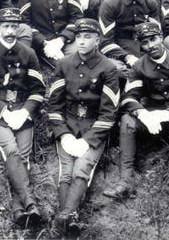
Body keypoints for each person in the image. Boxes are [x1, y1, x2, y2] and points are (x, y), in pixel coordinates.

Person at [103, 22, 169, 199]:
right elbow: (129, 97)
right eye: (145, 42)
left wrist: (168, 112)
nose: (151, 45)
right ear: (140, 45)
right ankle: (125, 182)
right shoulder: (139, 66)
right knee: (127, 120)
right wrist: (143, 114)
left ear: (161, 38)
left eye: (154, 39)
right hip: (150, 117)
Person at [47, 18, 120, 236]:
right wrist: (63, 134)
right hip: (68, 126)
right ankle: (70, 218)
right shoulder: (64, 64)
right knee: (65, 172)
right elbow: (54, 105)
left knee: (82, 169)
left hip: (94, 127)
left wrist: (88, 139)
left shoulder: (108, 68)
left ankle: (62, 218)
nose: (81, 41)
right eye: (78, 36)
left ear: (98, 39)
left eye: (88, 37)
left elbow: (109, 112)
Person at [0, 8, 45, 226]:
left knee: (23, 157)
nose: (10, 31)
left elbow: (38, 90)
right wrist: (4, 111)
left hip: (23, 110)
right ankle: (30, 201)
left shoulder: (28, 53)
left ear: (19, 27)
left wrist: (24, 112)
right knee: (11, 150)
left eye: (14, 26)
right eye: (6, 26)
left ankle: (18, 208)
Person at [98, 0, 161, 68]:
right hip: (119, 47)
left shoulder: (150, 2)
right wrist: (127, 57)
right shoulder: (110, 3)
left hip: (145, 45)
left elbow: (157, 33)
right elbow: (105, 42)